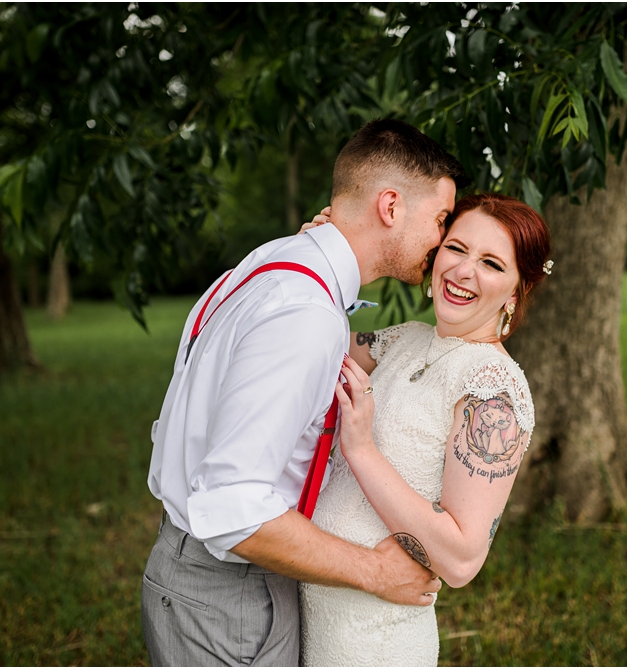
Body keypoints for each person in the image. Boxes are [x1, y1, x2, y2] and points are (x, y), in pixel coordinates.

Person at [141, 119, 469, 667]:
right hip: (229, 596)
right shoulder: (304, 313)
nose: (442, 241)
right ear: (390, 207)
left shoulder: (275, 265)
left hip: (201, 574)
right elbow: (234, 508)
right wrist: (374, 571)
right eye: (440, 219)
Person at [297, 193, 552, 666]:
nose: (463, 271)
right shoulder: (406, 339)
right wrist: (316, 252)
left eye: (492, 263)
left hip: (374, 643)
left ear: (516, 293)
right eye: (457, 249)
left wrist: (361, 448)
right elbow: (305, 341)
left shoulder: (493, 389)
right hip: (309, 620)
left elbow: (460, 559)